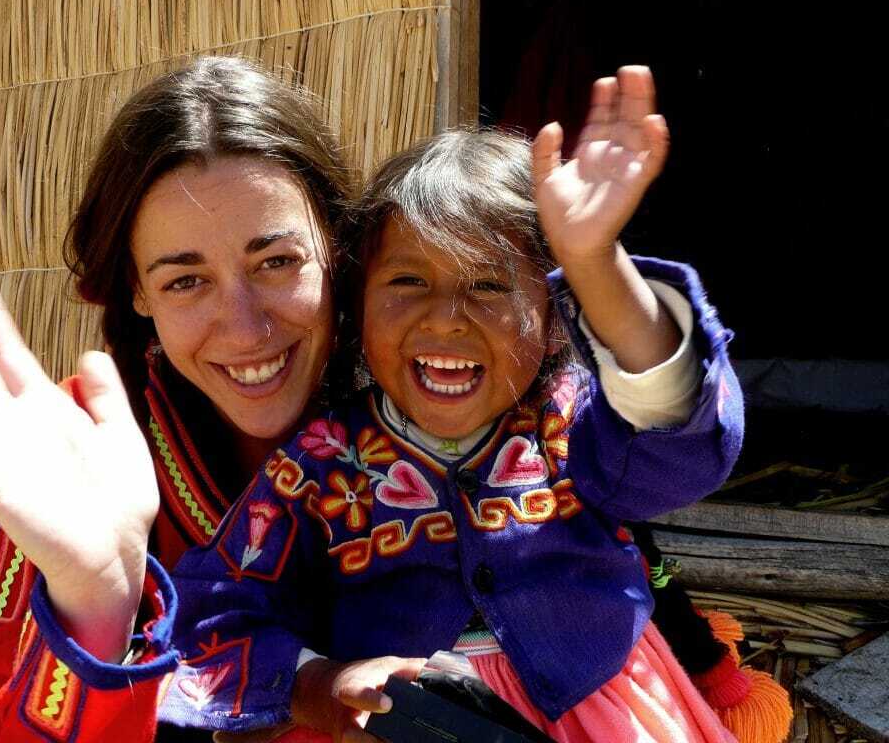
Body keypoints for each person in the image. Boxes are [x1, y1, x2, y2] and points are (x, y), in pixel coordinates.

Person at [152, 68, 748, 742]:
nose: (445, 320)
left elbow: (680, 449)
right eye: (407, 280)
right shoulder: (319, 463)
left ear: (554, 320)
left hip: (607, 719)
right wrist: (319, 684)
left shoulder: (574, 427)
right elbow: (214, 609)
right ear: (355, 307)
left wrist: (593, 262)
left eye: (489, 285)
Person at [0, 54, 357, 742]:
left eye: (276, 262)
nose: (246, 328)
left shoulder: (436, 425)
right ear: (135, 290)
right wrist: (94, 614)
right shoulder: (67, 462)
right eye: (185, 282)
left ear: (335, 246)